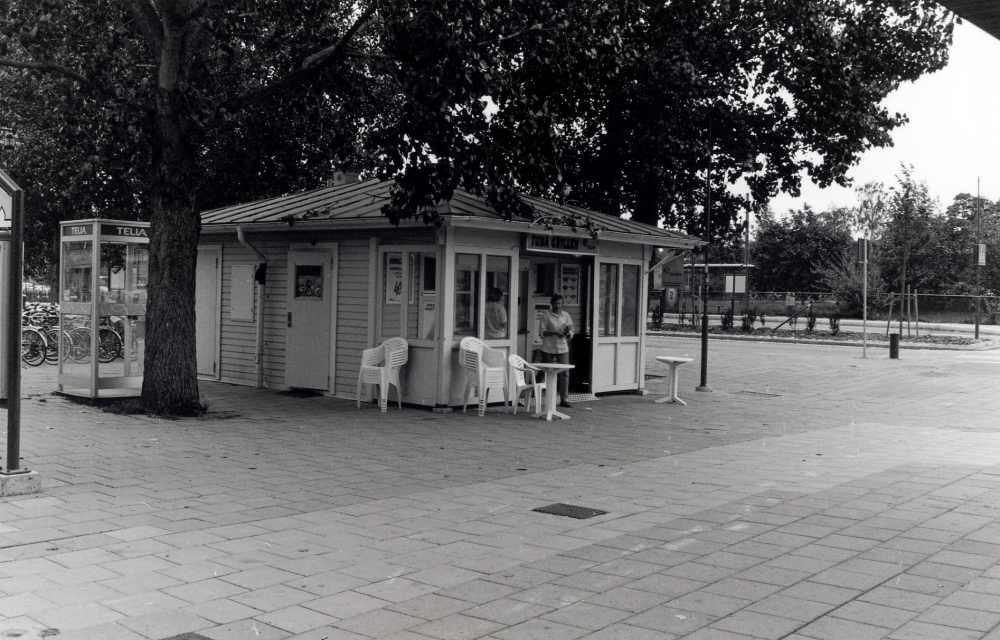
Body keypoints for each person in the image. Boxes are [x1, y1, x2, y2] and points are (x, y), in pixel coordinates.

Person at [539, 293, 574, 408]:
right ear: (551, 303)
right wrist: (554, 332)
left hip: (562, 347)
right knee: (544, 370)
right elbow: (542, 332)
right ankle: (533, 390)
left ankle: (564, 399)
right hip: (548, 347)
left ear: (562, 304)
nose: (557, 306)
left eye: (559, 303)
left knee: (564, 373)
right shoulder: (546, 315)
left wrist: (569, 334)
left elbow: (571, 329)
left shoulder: (566, 315)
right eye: (555, 303)